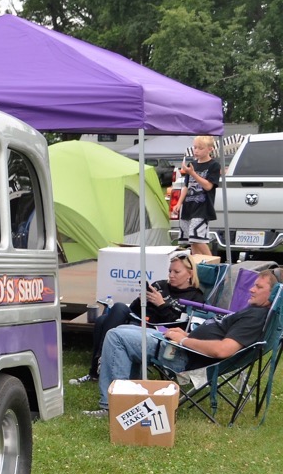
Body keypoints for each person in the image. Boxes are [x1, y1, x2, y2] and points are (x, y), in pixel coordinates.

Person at [83, 269, 276, 417]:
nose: (251, 289)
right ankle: (130, 400)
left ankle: (113, 407)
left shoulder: (255, 318)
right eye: (254, 285)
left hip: (182, 356)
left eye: (259, 287)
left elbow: (222, 350)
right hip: (183, 346)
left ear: (273, 294)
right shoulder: (255, 312)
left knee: (116, 337)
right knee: (122, 330)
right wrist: (186, 335)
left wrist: (184, 340)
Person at [71, 250, 204, 384]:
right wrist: (141, 300)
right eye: (170, 271)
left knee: (104, 320)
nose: (171, 275)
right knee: (110, 314)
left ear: (190, 274)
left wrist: (161, 305)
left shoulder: (195, 297)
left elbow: (182, 326)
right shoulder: (160, 285)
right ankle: (99, 363)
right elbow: (134, 309)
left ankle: (97, 366)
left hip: (158, 331)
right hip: (139, 321)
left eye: (176, 272)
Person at [178, 135, 221, 257]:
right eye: (195, 147)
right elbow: (186, 186)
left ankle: (212, 263)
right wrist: (179, 203)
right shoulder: (192, 164)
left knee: (198, 238)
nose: (196, 151)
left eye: (200, 148)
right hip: (188, 206)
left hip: (203, 207)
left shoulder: (214, 165)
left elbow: (208, 186)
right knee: (191, 240)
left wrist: (193, 173)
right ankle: (197, 264)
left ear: (210, 149)